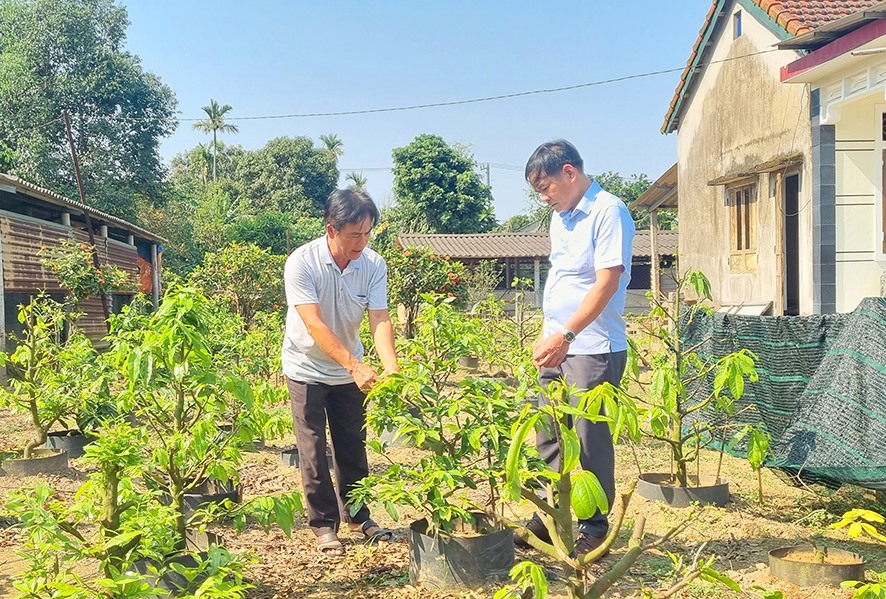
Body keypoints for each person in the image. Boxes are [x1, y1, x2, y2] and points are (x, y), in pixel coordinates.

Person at [520, 139, 635, 559]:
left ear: (570, 172)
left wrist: (566, 334)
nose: (544, 197)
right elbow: (565, 279)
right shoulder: (561, 218)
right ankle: (554, 513)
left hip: (591, 347)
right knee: (548, 429)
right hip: (558, 344)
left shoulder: (609, 211)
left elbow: (606, 282)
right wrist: (549, 331)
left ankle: (594, 526)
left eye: (546, 187)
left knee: (589, 438)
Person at [282, 188, 399, 557]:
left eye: (367, 233)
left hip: (350, 370)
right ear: (331, 230)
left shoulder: (373, 264)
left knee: (353, 445)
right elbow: (313, 323)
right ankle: (323, 525)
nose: (361, 242)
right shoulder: (302, 262)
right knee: (314, 449)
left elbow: (379, 318)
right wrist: (354, 364)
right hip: (306, 366)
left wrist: (393, 369)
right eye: (354, 235)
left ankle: (358, 515)